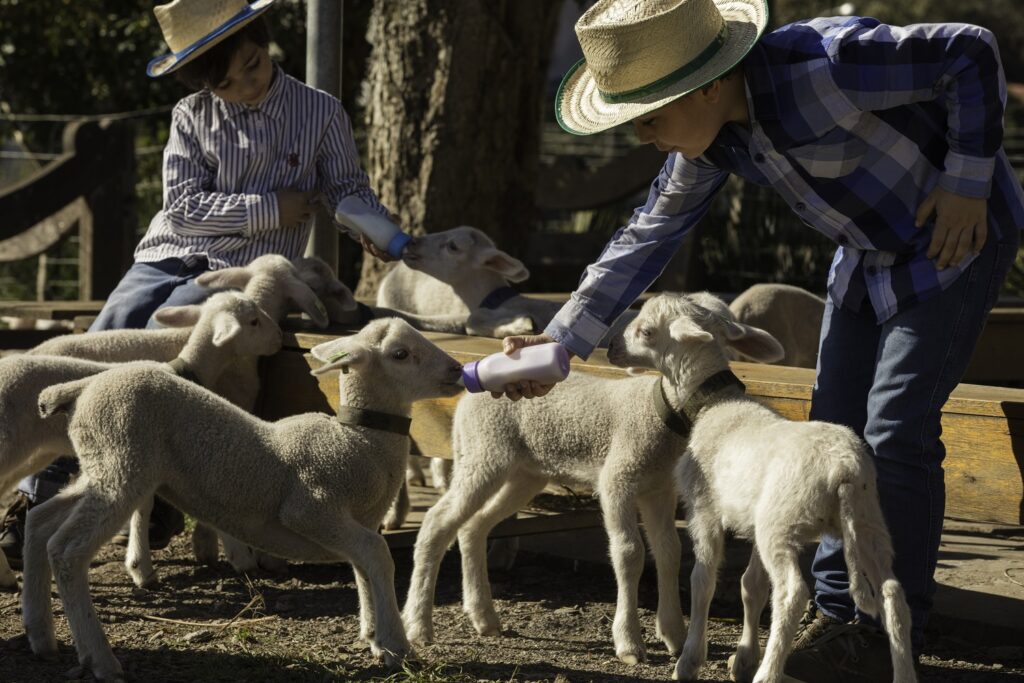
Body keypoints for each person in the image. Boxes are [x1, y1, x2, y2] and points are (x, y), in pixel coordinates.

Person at [500, 0, 1023, 680]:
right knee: (832, 428)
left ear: (709, 83)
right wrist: (560, 343)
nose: (642, 138)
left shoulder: (824, 67)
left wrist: (966, 179)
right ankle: (837, 614)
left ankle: (878, 628)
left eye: (650, 117)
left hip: (956, 238)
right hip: (867, 253)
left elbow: (970, 50)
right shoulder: (710, 141)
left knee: (895, 427)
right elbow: (644, 237)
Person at [0, 0, 391, 565]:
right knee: (103, 336)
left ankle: (157, 487)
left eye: (252, 66)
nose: (243, 87)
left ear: (263, 39)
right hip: (164, 256)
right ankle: (40, 495)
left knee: (175, 355)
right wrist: (269, 207)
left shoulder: (320, 111)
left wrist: (371, 228)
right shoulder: (192, 114)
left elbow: (346, 187)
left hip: (234, 275)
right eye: (225, 84)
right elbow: (181, 209)